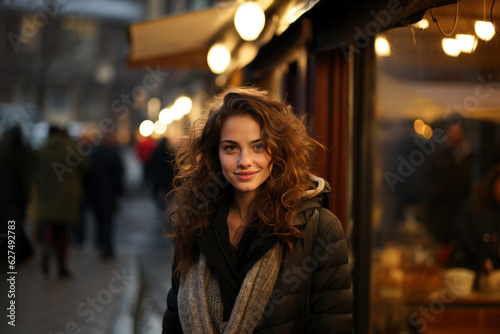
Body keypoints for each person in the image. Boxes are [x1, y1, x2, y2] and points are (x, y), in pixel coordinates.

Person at [162, 87, 353, 333]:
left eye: (258, 146)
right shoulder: (195, 223)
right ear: (215, 154)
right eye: (231, 148)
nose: (244, 161)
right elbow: (173, 324)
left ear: (278, 150)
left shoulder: (319, 229)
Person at [36, 125, 88, 278]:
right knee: (63, 232)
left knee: (51, 227)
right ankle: (61, 266)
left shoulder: (41, 150)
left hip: (46, 196)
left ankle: (47, 248)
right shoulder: (71, 148)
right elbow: (87, 166)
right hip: (67, 198)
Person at [450, 164, 500, 277]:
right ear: (493, 183)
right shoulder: (476, 206)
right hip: (471, 271)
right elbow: (464, 236)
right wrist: (481, 259)